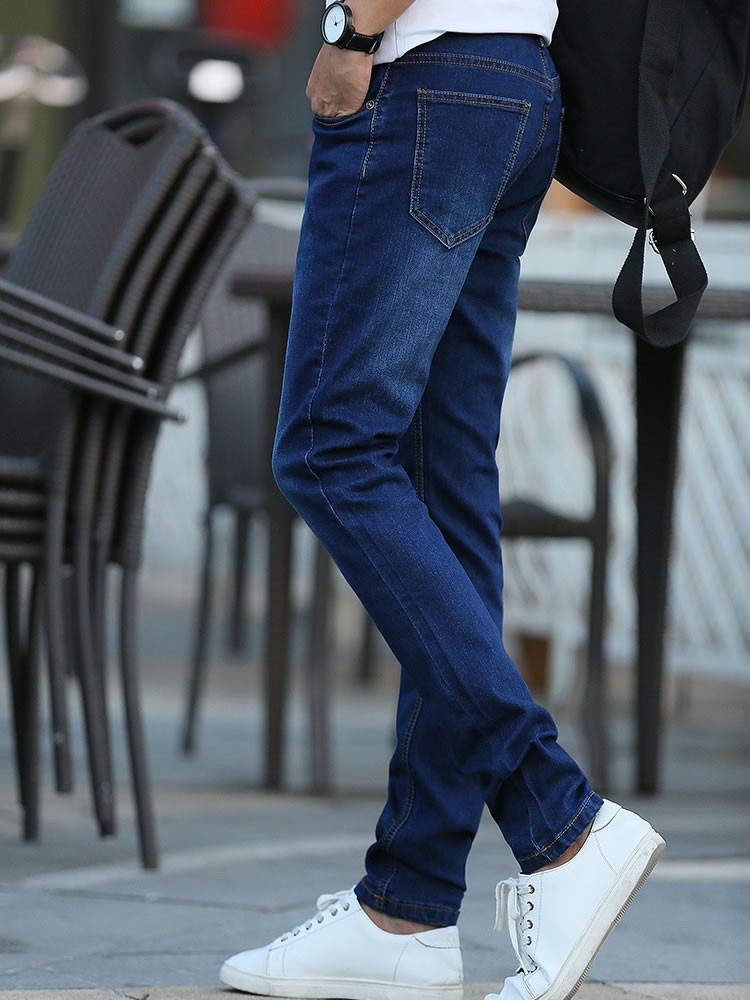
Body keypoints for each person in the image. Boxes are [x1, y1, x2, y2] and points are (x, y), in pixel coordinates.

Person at [220, 2, 665, 998]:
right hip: (514, 83)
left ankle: (559, 816)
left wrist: (352, 32)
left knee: (330, 448)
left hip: (419, 73)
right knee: (442, 487)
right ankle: (408, 909)